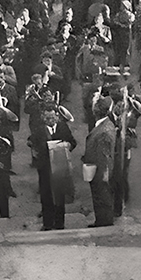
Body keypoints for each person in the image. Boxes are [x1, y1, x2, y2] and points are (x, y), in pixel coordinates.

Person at [29, 105, 77, 231]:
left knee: (59, 194)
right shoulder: (39, 130)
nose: (50, 120)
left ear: (57, 116)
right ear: (43, 118)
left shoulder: (63, 127)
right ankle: (47, 223)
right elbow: (31, 141)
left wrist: (67, 146)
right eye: (47, 118)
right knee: (46, 195)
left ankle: (60, 223)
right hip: (45, 168)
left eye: (52, 117)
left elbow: (73, 142)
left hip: (60, 166)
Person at [83, 97, 117, 227]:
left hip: (100, 169)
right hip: (98, 168)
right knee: (100, 195)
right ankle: (101, 220)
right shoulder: (106, 125)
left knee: (101, 195)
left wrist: (104, 173)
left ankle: (104, 221)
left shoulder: (103, 130)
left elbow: (105, 155)